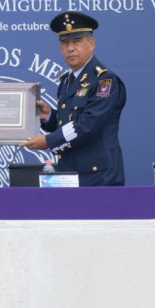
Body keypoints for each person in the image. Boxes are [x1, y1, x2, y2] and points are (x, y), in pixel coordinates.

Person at [21, 11, 127, 186]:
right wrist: (49, 116)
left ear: (91, 44)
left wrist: (49, 140)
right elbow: (71, 122)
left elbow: (89, 124)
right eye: (64, 43)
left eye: (76, 41)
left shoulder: (104, 80)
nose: (70, 48)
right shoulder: (68, 79)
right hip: (69, 173)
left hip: (98, 177)